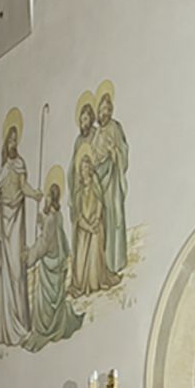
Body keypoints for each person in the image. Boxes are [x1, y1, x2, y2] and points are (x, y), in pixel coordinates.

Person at [0, 121, 38, 347]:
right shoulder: (2, 170)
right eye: (10, 141)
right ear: (5, 144)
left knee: (17, 269)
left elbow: (24, 187)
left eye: (16, 140)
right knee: (6, 272)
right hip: (3, 224)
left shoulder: (20, 164)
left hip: (16, 221)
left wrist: (35, 194)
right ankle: (8, 328)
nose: (13, 144)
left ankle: (21, 323)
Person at [24, 178, 83, 349]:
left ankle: (46, 328)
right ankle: (55, 324)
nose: (46, 199)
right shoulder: (57, 216)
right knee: (54, 298)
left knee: (45, 300)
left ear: (52, 199)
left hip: (50, 265)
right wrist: (42, 224)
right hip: (57, 261)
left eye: (48, 196)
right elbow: (54, 237)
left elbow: (44, 244)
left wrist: (29, 256)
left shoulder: (51, 219)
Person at [69, 101, 106, 296]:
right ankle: (80, 281)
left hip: (94, 218)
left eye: (86, 119)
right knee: (81, 248)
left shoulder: (97, 135)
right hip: (84, 220)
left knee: (96, 240)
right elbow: (72, 169)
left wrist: (95, 220)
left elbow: (99, 199)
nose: (83, 124)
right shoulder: (78, 142)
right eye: (81, 120)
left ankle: (96, 278)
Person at [93, 88, 129, 282]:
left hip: (112, 181)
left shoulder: (115, 127)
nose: (104, 113)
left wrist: (113, 151)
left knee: (114, 218)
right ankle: (102, 265)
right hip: (99, 181)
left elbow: (122, 150)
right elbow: (93, 157)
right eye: (102, 110)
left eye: (107, 109)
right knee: (102, 223)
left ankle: (115, 262)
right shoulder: (97, 133)